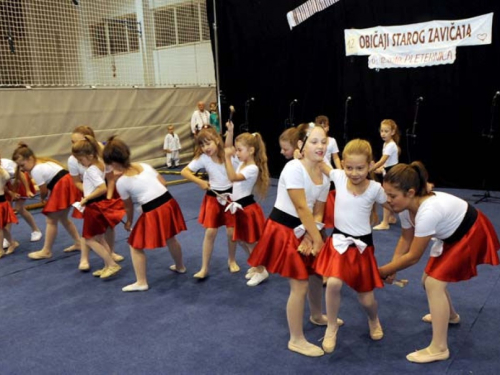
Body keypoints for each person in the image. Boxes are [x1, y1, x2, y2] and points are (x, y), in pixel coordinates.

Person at [379, 162, 500, 363]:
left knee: (434, 283)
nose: (388, 200)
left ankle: (439, 348)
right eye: (386, 194)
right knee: (427, 280)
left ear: (410, 192)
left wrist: (382, 270)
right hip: (453, 234)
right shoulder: (405, 206)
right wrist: (392, 269)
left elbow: (414, 256)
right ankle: (450, 316)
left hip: (471, 232)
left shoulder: (428, 211)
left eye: (392, 196)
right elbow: (405, 239)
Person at [248, 123, 341, 357]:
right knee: (299, 284)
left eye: (323, 141)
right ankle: (296, 339)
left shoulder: (323, 175)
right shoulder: (293, 167)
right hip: (284, 229)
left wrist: (313, 235)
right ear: (301, 145)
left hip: (306, 229)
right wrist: (317, 239)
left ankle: (317, 315)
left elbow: (318, 210)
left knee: (316, 274)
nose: (320, 146)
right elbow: (300, 206)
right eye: (314, 141)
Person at [314, 139, 391, 354]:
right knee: (334, 283)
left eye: (360, 168)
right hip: (339, 243)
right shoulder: (338, 177)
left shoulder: (375, 188)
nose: (354, 173)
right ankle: (331, 326)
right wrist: (311, 149)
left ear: (371, 165)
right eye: (349, 167)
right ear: (343, 166)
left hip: (362, 247)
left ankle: (373, 319)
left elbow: (394, 203)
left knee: (366, 298)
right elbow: (320, 163)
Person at [103, 136, 187, 292]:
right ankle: (180, 266)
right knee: (171, 237)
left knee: (135, 245)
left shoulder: (121, 182)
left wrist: (129, 222)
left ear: (112, 163)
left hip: (155, 209)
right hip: (169, 201)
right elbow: (163, 183)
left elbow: (128, 207)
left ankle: (141, 282)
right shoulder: (144, 165)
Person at [181, 127, 238, 279]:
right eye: (202, 145)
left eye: (208, 143)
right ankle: (204, 267)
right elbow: (184, 172)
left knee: (231, 231)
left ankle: (231, 260)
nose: (206, 148)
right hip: (213, 197)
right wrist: (199, 181)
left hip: (230, 197)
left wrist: (230, 132)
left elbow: (230, 145)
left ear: (217, 141)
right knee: (210, 232)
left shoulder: (228, 155)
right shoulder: (203, 158)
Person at [68, 125, 124, 272]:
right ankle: (108, 263)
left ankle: (111, 264)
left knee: (89, 238)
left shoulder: (92, 169)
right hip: (96, 200)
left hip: (94, 203)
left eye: (81, 159)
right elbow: (80, 182)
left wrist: (87, 199)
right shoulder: (98, 164)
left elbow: (103, 187)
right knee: (98, 237)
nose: (79, 162)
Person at [12, 143, 81, 259]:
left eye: (23, 165)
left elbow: (43, 190)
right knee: (63, 218)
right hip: (68, 183)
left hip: (62, 186)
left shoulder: (36, 170)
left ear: (30, 158)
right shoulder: (45, 162)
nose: (22, 169)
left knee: (51, 220)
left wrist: (44, 198)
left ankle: (46, 251)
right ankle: (78, 242)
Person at [224, 121, 270, 286]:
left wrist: (227, 158)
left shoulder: (252, 168)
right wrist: (230, 132)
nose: (236, 153)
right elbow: (227, 148)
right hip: (238, 208)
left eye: (239, 150)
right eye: (236, 150)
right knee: (242, 240)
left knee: (251, 242)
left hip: (247, 209)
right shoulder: (242, 162)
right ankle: (256, 265)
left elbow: (232, 178)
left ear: (251, 150)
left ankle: (262, 270)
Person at [1, 155, 42, 248]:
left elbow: (21, 175)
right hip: (7, 186)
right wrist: (11, 193)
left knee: (19, 209)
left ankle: (36, 230)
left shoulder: (7, 164)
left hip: (20, 182)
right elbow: (2, 184)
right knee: (7, 212)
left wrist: (27, 190)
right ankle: (7, 239)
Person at [371, 119, 400, 230]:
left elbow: (383, 161)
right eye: (382, 131)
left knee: (386, 197)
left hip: (392, 173)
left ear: (392, 132)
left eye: (386, 131)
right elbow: (386, 164)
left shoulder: (391, 145)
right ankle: (391, 217)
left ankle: (385, 223)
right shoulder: (385, 144)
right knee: (390, 196)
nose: (383, 133)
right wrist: (379, 169)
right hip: (389, 170)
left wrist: (372, 168)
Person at [315, 115, 342, 231]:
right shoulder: (313, 141)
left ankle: (324, 222)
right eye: (319, 125)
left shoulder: (332, 141)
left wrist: (340, 170)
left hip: (327, 173)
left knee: (327, 200)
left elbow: (335, 157)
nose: (322, 128)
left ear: (328, 127)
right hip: (315, 172)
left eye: (324, 126)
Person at [0, 163, 19, 258]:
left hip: (1, 202)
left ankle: (0, 250)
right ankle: (12, 243)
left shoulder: (3, 172)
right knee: (2, 227)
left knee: (1, 227)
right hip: (2, 200)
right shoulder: (4, 172)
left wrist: (11, 193)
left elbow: (5, 184)